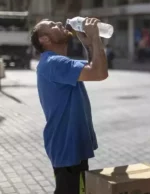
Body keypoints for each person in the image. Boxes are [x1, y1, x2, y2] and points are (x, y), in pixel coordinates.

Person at [30, 18, 108, 194]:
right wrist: (95, 38)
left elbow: (94, 67)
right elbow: (100, 73)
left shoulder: (57, 62)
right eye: (52, 26)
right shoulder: (54, 63)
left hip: (70, 144)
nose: (59, 23)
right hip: (67, 145)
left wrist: (87, 43)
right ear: (44, 39)